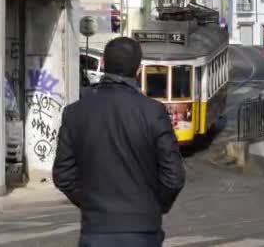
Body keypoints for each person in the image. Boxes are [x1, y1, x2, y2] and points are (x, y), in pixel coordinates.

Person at [53, 37, 186, 247]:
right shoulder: (153, 113)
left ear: (104, 64)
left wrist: (91, 204)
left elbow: (63, 175)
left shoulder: (75, 113)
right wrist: (153, 206)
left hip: (96, 230)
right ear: (139, 69)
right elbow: (174, 176)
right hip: (143, 232)